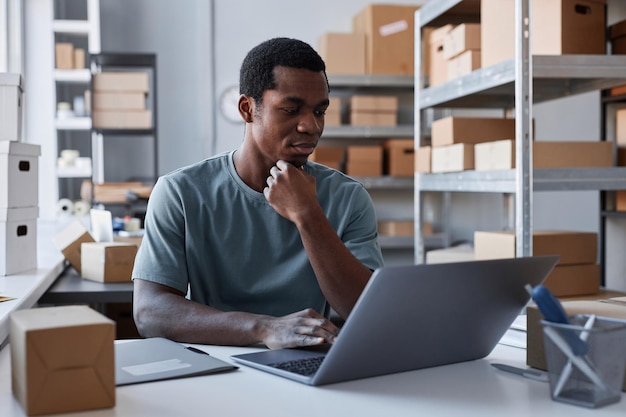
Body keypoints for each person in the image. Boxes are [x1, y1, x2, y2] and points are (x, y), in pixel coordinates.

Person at [132, 37, 383, 350]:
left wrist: (308, 215)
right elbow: (150, 313)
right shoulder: (180, 192)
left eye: (320, 112)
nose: (311, 126)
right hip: (218, 362)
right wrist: (265, 328)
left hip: (309, 365)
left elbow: (366, 311)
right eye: (291, 110)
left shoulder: (349, 198)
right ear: (248, 109)